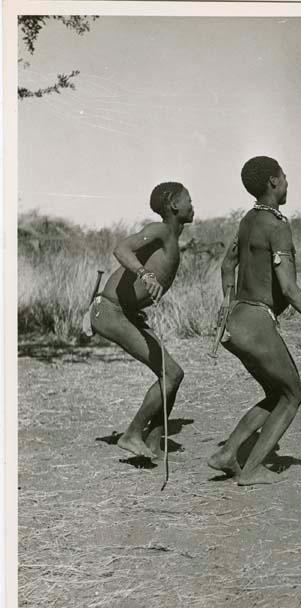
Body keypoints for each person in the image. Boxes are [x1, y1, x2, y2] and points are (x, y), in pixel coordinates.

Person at [207, 156, 301, 486]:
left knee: (277, 393)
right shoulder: (277, 225)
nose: (288, 182)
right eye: (284, 177)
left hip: (235, 321)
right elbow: (288, 287)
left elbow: (226, 266)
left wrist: (227, 305)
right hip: (257, 322)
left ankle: (227, 454)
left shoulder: (247, 220)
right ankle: (253, 469)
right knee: (293, 395)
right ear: (273, 182)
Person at [86, 182, 194, 459]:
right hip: (109, 311)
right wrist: (145, 275)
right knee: (169, 373)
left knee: (174, 374)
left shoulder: (171, 237)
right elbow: (122, 249)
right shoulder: (159, 231)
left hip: (123, 313)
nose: (193, 206)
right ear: (174, 207)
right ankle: (132, 434)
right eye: (188, 201)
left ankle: (154, 441)